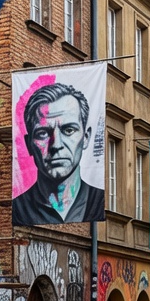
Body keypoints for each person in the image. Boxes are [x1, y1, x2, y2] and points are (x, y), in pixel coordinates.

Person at [12, 82, 104, 225]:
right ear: (29, 144)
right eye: (42, 133)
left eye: (69, 130)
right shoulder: (16, 210)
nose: (56, 145)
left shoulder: (100, 203)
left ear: (86, 138)